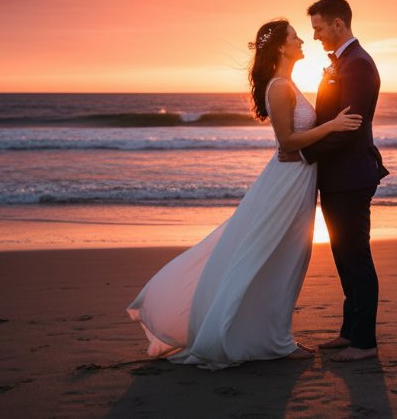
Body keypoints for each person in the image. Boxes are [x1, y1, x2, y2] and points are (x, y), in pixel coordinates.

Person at [127, 19, 362, 370]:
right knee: (277, 255)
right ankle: (274, 341)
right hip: (287, 180)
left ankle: (269, 336)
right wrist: (332, 126)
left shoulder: (289, 83)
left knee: (285, 257)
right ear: (282, 47)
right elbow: (286, 141)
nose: (302, 40)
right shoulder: (279, 87)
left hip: (297, 178)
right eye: (295, 36)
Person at [281, 0, 389, 362]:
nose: (315, 36)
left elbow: (349, 129)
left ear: (338, 24)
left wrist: (302, 152)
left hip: (352, 176)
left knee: (356, 256)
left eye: (318, 28)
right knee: (344, 256)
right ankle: (349, 332)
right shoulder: (341, 63)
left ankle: (365, 343)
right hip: (337, 176)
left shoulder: (357, 65)